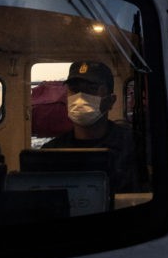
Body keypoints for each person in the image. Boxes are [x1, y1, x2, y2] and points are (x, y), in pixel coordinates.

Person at [42, 61, 139, 193]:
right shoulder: (50, 151)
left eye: (91, 89)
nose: (80, 98)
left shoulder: (134, 145)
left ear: (111, 100)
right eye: (75, 90)